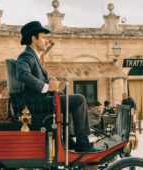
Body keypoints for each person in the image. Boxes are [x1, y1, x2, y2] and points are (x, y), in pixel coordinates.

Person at [16, 21, 94, 152]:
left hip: (39, 101)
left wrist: (52, 86)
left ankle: (68, 140)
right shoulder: (27, 55)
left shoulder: (34, 56)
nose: (46, 41)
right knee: (79, 100)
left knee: (67, 99)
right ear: (34, 39)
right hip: (37, 103)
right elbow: (22, 74)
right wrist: (47, 87)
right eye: (43, 37)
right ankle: (83, 143)